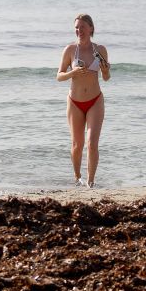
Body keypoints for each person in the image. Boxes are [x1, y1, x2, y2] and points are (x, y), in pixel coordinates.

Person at [56, 14, 111, 188]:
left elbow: (106, 77)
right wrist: (73, 73)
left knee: (92, 143)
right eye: (77, 28)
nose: (79, 31)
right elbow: (59, 76)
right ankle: (77, 177)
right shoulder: (70, 50)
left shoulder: (100, 49)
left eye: (82, 27)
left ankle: (91, 181)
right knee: (77, 144)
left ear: (91, 28)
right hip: (75, 102)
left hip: (95, 100)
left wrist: (104, 70)